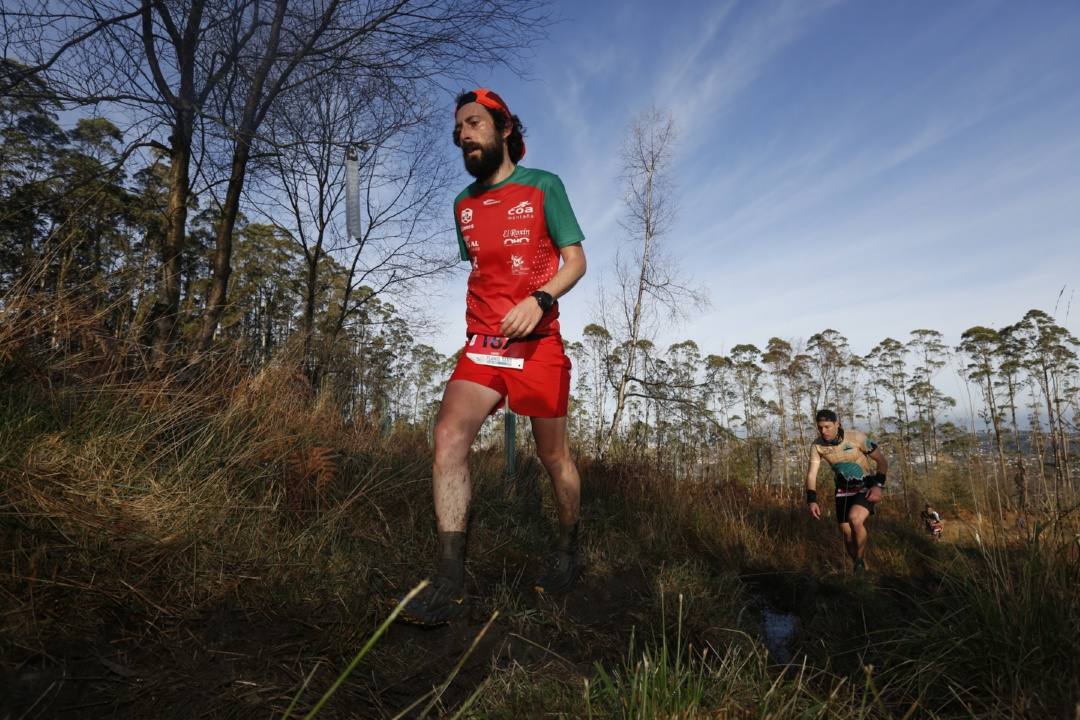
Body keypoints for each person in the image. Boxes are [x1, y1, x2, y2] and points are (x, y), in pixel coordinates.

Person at [399, 89, 588, 626]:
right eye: (458, 128)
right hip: (483, 346)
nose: (463, 134)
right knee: (447, 437)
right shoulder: (463, 204)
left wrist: (541, 298)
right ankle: (450, 580)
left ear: (504, 128)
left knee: (553, 458)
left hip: (538, 344)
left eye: (474, 123)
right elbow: (484, 270)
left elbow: (575, 260)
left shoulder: (544, 186)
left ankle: (570, 548)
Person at [805, 409, 888, 574]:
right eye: (820, 427)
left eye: (827, 427)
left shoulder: (857, 437)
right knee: (848, 535)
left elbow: (882, 461)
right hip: (842, 490)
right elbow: (811, 474)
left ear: (837, 424)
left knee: (855, 519)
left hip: (865, 486)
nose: (824, 431)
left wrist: (878, 486)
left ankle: (858, 562)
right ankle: (861, 565)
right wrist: (812, 499)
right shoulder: (817, 446)